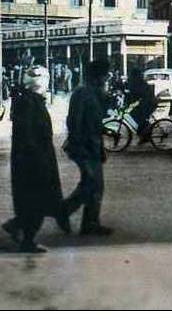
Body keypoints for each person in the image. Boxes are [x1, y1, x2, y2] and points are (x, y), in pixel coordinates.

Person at [3, 66, 70, 253]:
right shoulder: (31, 103)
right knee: (37, 201)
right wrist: (40, 160)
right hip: (35, 160)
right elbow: (30, 135)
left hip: (29, 159)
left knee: (32, 201)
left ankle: (17, 226)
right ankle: (27, 239)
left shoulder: (27, 101)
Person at [61, 58, 113, 236]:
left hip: (93, 146)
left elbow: (97, 121)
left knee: (95, 185)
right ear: (96, 76)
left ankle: (89, 222)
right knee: (92, 184)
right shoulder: (82, 93)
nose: (106, 79)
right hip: (83, 146)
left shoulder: (96, 93)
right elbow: (73, 121)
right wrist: (78, 144)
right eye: (104, 76)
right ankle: (65, 212)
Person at [127, 69, 158, 144]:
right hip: (148, 102)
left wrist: (129, 101)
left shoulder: (137, 83)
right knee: (138, 117)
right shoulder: (140, 82)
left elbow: (136, 94)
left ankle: (145, 133)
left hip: (148, 103)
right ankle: (144, 134)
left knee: (138, 116)